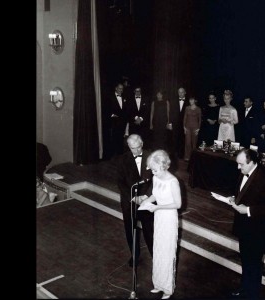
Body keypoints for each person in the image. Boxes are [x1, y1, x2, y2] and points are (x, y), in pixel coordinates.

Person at [227, 149, 265, 299]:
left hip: (257, 230)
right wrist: (234, 197)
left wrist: (248, 210)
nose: (238, 168)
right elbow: (242, 193)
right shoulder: (244, 171)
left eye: (241, 164)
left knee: (254, 263)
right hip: (244, 227)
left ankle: (252, 293)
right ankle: (244, 288)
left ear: (252, 163)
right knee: (245, 260)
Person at [139, 150, 181, 299]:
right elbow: (155, 195)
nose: (153, 173)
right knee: (158, 250)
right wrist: (146, 202)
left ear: (164, 166)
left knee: (167, 252)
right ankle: (158, 284)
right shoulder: (156, 178)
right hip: (158, 216)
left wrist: (158, 207)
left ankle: (168, 289)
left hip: (168, 217)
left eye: (155, 170)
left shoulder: (173, 181)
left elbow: (177, 204)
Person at [117, 134, 154, 267]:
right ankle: (135, 255)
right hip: (129, 201)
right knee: (130, 230)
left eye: (138, 147)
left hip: (147, 199)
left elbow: (156, 180)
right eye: (133, 148)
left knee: (149, 230)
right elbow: (120, 182)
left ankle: (155, 256)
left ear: (142, 143)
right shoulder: (122, 160)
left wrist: (146, 197)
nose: (136, 151)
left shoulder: (152, 157)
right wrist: (133, 197)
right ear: (128, 147)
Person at [107, 82, 129, 159]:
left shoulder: (124, 97)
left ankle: (120, 156)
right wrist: (112, 115)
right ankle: (112, 156)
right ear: (116, 88)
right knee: (113, 139)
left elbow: (126, 110)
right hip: (113, 122)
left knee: (120, 139)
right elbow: (106, 109)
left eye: (122, 89)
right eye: (119, 88)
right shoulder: (110, 97)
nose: (121, 90)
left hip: (122, 122)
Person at [168, 87, 188, 159]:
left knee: (183, 139)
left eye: (182, 92)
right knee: (174, 138)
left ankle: (181, 154)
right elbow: (170, 112)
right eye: (179, 92)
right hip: (175, 123)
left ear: (185, 92)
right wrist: (170, 123)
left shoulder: (189, 102)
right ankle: (173, 155)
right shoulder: (173, 101)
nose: (180, 93)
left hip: (185, 124)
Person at [183, 96, 202, 161]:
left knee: (194, 143)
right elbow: (185, 118)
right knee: (187, 143)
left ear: (195, 101)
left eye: (192, 100)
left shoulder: (198, 109)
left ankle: (193, 157)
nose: (190, 101)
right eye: (190, 100)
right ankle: (187, 156)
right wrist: (184, 127)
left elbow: (200, 119)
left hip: (195, 127)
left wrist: (198, 128)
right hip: (187, 127)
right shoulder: (187, 108)